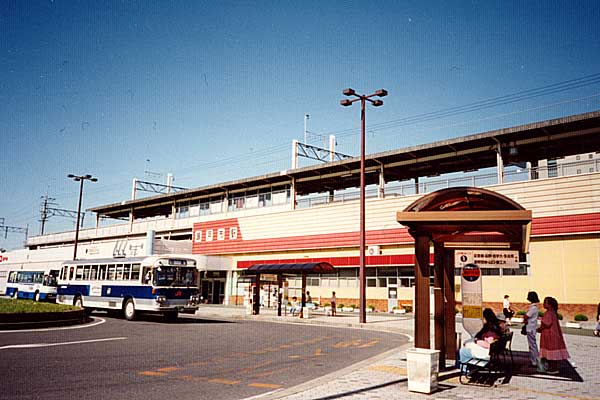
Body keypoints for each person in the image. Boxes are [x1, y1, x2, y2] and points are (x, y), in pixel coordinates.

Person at [537, 296, 570, 374]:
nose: (543, 304)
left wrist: (539, 329)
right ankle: (553, 367)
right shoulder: (552, 312)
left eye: (545, 302)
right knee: (552, 353)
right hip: (552, 334)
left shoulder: (549, 313)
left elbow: (546, 324)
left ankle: (553, 369)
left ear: (550, 305)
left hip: (550, 335)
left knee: (551, 352)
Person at [523, 291, 540, 368]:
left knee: (532, 345)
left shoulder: (533, 308)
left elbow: (526, 316)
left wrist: (525, 318)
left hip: (530, 328)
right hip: (532, 328)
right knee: (533, 345)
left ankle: (534, 361)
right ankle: (535, 360)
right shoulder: (534, 307)